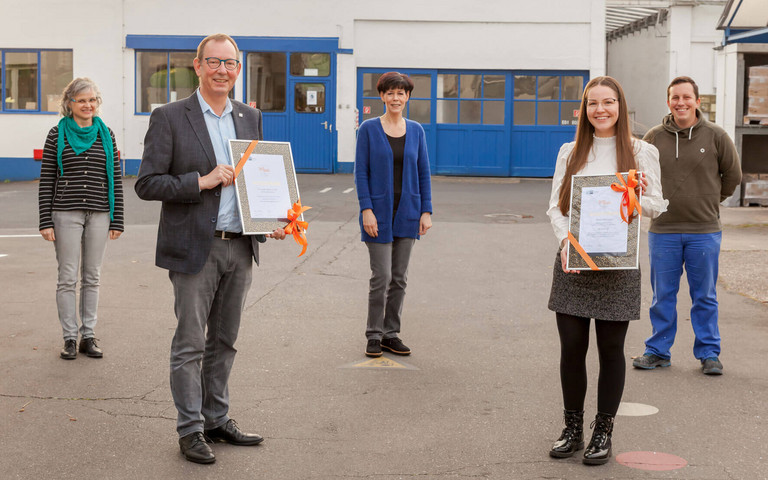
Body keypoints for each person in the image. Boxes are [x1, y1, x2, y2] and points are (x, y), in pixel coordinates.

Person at [135, 33, 286, 465]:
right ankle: (190, 429)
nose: (223, 70)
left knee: (225, 340)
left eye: (231, 63)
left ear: (238, 70)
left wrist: (271, 219)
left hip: (240, 246)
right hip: (195, 249)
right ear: (198, 66)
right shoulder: (169, 116)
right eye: (215, 62)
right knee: (190, 343)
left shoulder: (249, 116)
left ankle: (216, 418)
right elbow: (146, 183)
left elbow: (258, 179)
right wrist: (199, 181)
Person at [546, 76, 668, 465]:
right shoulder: (570, 151)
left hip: (618, 264)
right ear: (584, 110)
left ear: (620, 106)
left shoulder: (641, 151)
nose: (601, 110)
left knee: (611, 350)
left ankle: (603, 431)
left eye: (608, 102)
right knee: (571, 349)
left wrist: (640, 194)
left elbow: (656, 206)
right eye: (593, 103)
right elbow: (555, 207)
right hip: (575, 263)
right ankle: (573, 429)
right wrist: (566, 243)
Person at [633, 76, 741, 376]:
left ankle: (708, 353)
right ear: (668, 101)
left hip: (704, 231)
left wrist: (709, 200)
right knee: (662, 296)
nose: (681, 103)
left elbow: (733, 176)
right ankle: (658, 351)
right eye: (675, 97)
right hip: (663, 230)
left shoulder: (716, 136)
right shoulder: (653, 138)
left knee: (704, 295)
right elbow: (637, 176)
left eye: (686, 97)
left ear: (697, 101)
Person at [38, 77, 124, 360]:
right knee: (66, 277)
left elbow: (115, 179)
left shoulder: (106, 134)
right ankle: (69, 338)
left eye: (92, 100)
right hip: (65, 214)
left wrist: (117, 219)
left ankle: (88, 335)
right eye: (81, 100)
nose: (88, 105)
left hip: (100, 213)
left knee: (92, 276)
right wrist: (45, 221)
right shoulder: (56, 134)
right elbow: (47, 179)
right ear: (69, 103)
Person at [354, 71, 432, 358]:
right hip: (378, 213)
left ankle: (391, 333)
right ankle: (374, 334)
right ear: (382, 96)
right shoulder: (368, 129)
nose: (395, 97)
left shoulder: (417, 131)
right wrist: (366, 209)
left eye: (401, 93)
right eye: (390, 93)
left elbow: (423, 172)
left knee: (399, 278)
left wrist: (426, 210)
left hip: (409, 212)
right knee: (381, 276)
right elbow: (361, 172)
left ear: (407, 97)